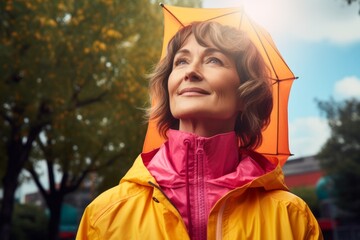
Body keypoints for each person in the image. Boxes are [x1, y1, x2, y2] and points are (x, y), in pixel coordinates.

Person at [76, 21, 323, 240]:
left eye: (213, 59)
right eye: (181, 61)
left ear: (246, 94)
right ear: (168, 86)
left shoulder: (293, 219)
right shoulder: (104, 216)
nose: (190, 72)